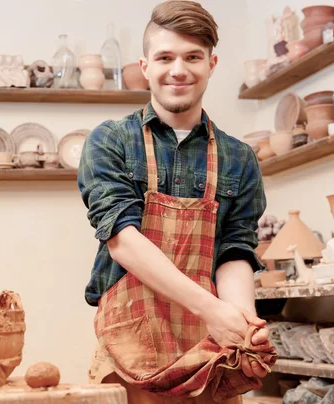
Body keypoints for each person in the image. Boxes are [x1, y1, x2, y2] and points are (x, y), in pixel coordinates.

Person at [78, 1, 273, 403]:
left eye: (192, 57)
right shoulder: (111, 140)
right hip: (128, 346)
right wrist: (213, 311)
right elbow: (121, 239)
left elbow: (235, 250)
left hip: (209, 353)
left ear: (212, 63)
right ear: (145, 65)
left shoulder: (239, 158)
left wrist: (242, 325)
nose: (178, 70)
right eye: (165, 57)